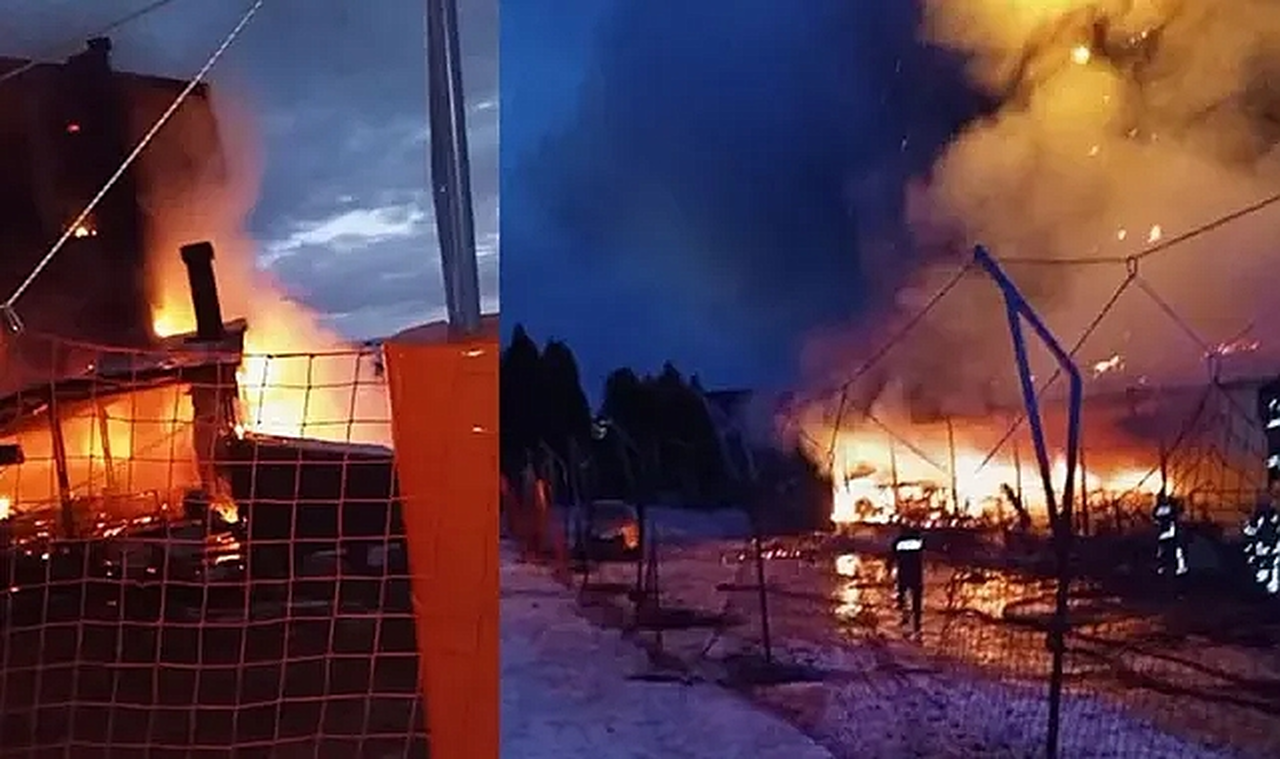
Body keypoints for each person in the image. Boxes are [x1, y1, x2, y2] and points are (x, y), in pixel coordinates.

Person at [888, 523, 926, 634]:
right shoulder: (918, 541)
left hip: (904, 574)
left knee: (903, 596)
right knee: (917, 600)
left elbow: (892, 557)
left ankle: (905, 618)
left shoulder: (898, 542)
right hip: (916, 574)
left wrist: (889, 568)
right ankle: (917, 624)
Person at [1152, 493, 1187, 578]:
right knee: (1168, 552)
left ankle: (1177, 568)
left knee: (1175, 551)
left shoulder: (1165, 509)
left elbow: (1157, 516)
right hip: (1168, 534)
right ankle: (1165, 568)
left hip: (1170, 534)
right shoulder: (1166, 509)